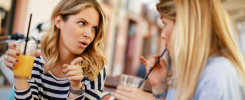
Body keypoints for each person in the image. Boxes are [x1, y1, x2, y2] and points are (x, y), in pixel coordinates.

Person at [113, 0, 245, 100]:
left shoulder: (218, 74)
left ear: (185, 26)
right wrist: (159, 87)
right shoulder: (188, 69)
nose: (162, 35)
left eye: (165, 24)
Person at [4, 0, 107, 99]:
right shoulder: (33, 60)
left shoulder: (95, 68)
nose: (88, 34)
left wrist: (76, 88)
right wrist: (20, 76)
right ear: (59, 22)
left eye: (94, 28)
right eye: (81, 23)